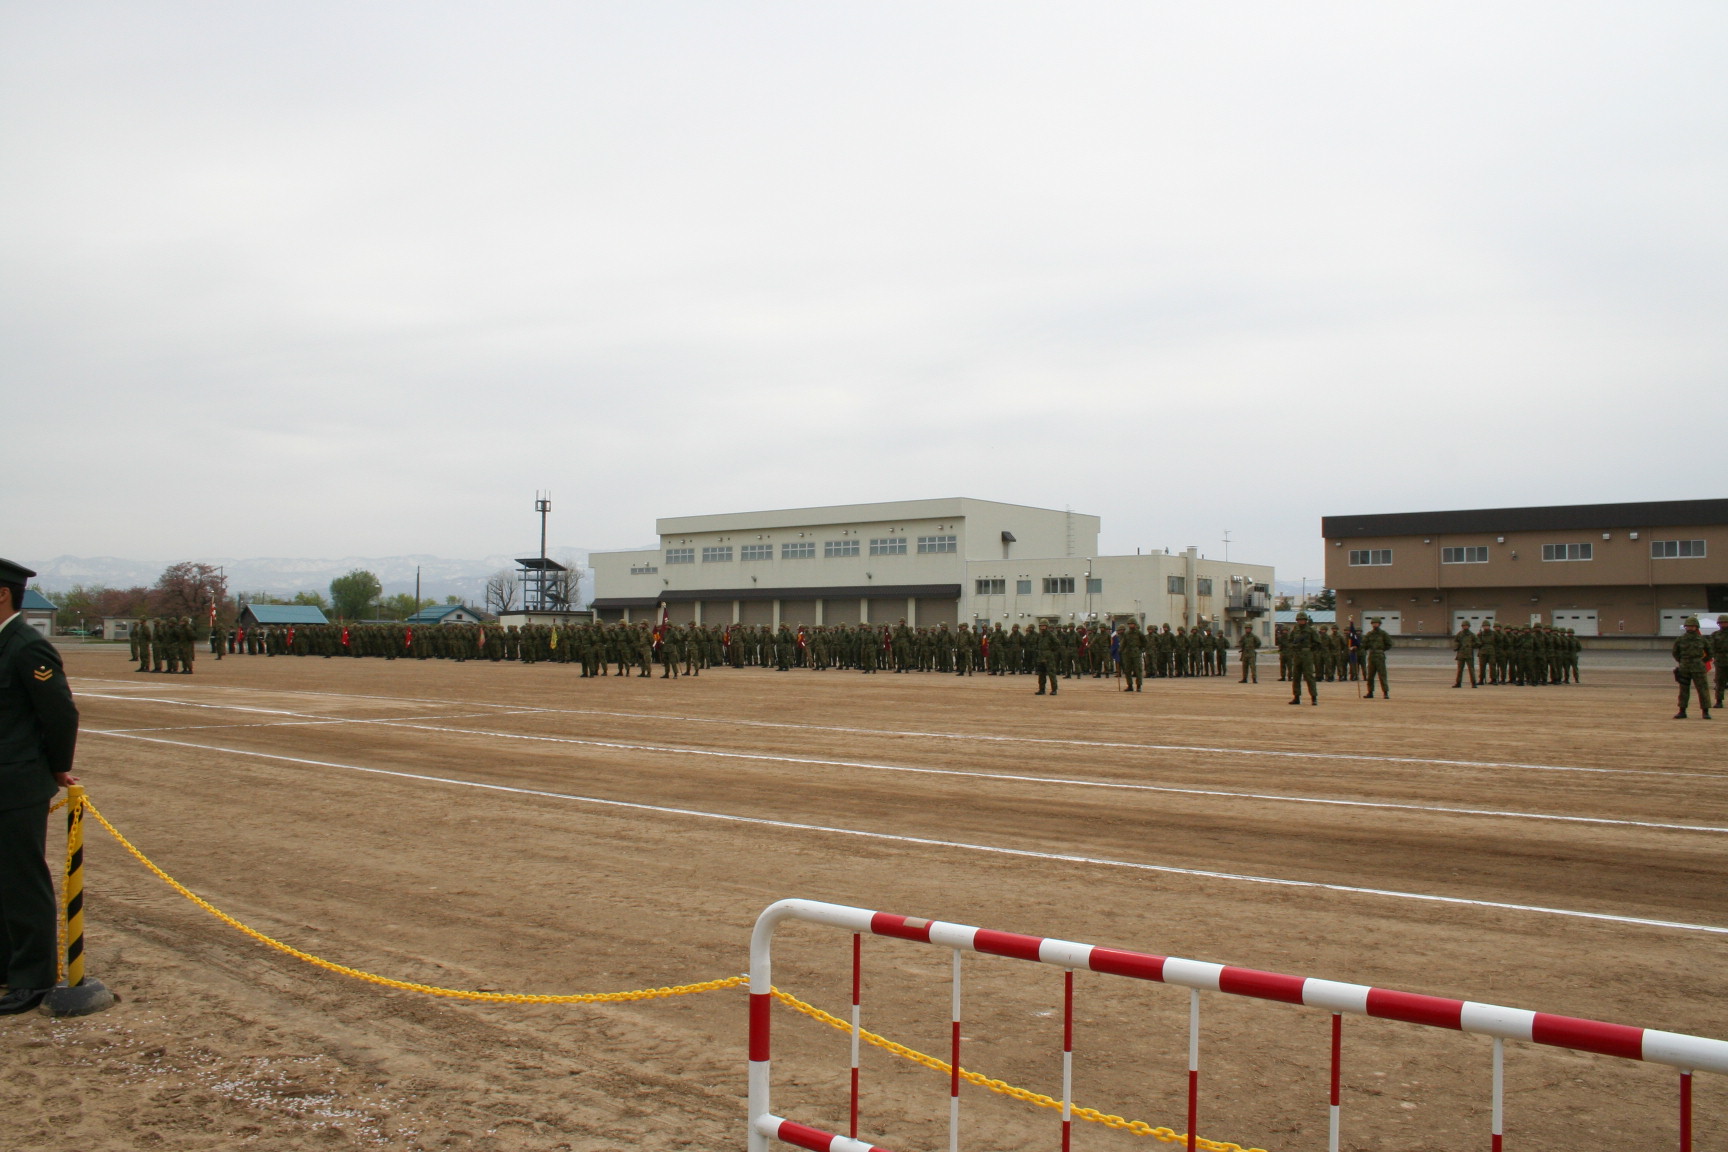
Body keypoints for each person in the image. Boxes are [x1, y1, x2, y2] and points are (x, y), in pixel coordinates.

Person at [0, 558, 81, 1014]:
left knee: (21, 879)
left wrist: (56, 768)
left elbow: (60, 713)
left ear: (2, 593)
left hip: (16, 779)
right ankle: (6, 964)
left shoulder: (27, 646)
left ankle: (31, 977)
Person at [1672, 616, 1713, 720]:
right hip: (1685, 667)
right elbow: (1675, 652)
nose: (1689, 628)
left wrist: (1701, 661)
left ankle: (1705, 711)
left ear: (1696, 627)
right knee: (1683, 690)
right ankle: (1682, 711)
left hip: (1698, 667)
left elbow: (1710, 653)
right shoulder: (1681, 639)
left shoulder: (1702, 639)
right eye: (1688, 626)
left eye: (1692, 626)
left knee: (1703, 689)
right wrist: (1682, 661)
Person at [1283, 611, 1321, 705]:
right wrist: (1293, 646)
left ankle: (1314, 697)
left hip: (1307, 655)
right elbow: (1289, 641)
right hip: (1297, 654)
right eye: (1299, 620)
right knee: (1296, 676)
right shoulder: (1295, 630)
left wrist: (1310, 650)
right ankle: (1296, 697)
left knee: (1309, 676)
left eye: (1302, 620)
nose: (1301, 621)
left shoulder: (1311, 630)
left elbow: (1318, 643)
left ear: (1306, 620)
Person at [1360, 617, 1392, 698]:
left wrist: (1381, 650)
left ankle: (1385, 693)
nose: (1375, 624)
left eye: (1376, 623)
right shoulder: (1369, 634)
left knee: (1382, 675)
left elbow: (1389, 644)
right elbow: (1364, 645)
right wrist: (1356, 647)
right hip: (1372, 656)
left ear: (1379, 624)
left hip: (1380, 656)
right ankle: (1370, 692)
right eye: (1373, 623)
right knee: (1370, 675)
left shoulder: (1383, 634)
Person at [1451, 620, 1478, 688]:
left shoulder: (1472, 635)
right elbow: (1455, 641)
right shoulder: (1459, 634)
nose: (1465, 627)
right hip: (1461, 654)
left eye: (1466, 626)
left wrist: (1471, 645)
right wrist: (1457, 646)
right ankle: (1458, 683)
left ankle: (1473, 683)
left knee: (1471, 669)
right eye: (1464, 626)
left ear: (1469, 626)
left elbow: (1478, 642)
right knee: (1460, 670)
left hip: (1469, 654)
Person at [1713, 616, 1728, 710]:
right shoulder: (1715, 635)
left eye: (1725, 622)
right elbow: (1710, 648)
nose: (1723, 624)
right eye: (1721, 623)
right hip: (1720, 661)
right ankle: (1719, 701)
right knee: (1720, 682)